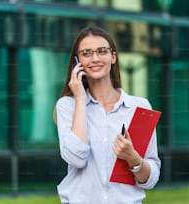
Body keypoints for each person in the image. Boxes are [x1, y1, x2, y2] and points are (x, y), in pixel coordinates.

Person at [54, 26, 161, 204]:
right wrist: (80, 99)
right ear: (77, 61)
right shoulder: (68, 106)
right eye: (86, 53)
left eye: (102, 51)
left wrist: (132, 157)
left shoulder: (139, 107)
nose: (95, 58)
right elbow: (76, 158)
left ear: (113, 57)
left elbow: (150, 179)